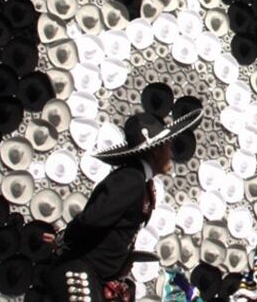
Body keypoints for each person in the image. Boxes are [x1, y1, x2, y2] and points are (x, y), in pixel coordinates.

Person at [45, 109, 202, 302]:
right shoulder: (131, 179)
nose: (170, 153)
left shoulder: (140, 183)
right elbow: (94, 218)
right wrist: (64, 239)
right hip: (81, 271)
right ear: (155, 150)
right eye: (167, 146)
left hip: (96, 277)